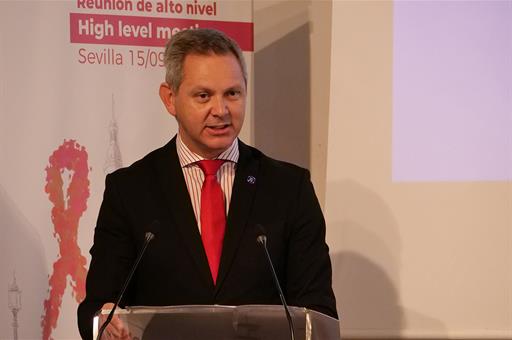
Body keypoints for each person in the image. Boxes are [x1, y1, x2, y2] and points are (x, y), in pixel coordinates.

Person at [77, 28, 337, 340]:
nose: (221, 110)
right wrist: (106, 320)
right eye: (204, 95)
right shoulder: (130, 190)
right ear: (170, 98)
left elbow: (318, 313)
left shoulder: (289, 188)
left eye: (232, 93)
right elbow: (95, 308)